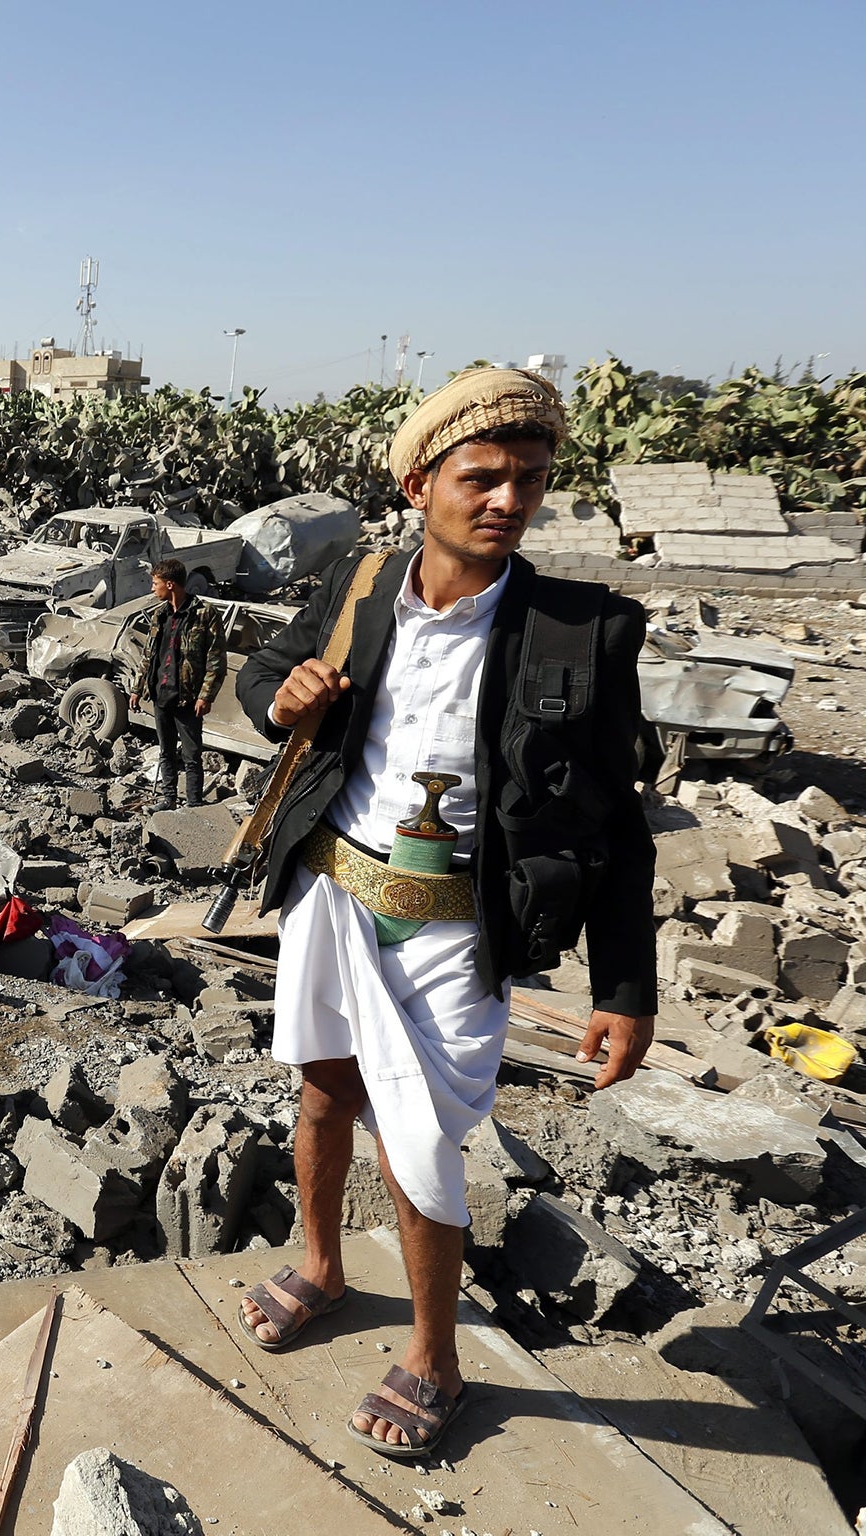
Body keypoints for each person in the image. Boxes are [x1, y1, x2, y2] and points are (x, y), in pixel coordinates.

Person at [229, 369, 656, 1461]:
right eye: (481, 477)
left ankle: (434, 1355)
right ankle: (322, 1266)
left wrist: (624, 990)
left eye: (528, 480)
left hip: (457, 925)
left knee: (419, 1140)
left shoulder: (580, 630)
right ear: (420, 483)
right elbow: (266, 674)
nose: (507, 500)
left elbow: (616, 822)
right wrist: (280, 701)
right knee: (322, 1090)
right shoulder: (360, 581)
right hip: (336, 888)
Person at [128, 559, 225, 808]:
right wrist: (137, 689)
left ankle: (194, 803)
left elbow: (216, 660)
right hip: (161, 694)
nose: (152, 589)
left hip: (188, 699)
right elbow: (149, 656)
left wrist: (206, 696)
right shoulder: (159, 615)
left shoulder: (204, 613)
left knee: (192, 756)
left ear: (170, 584)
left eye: (155, 584)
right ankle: (168, 798)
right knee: (166, 750)